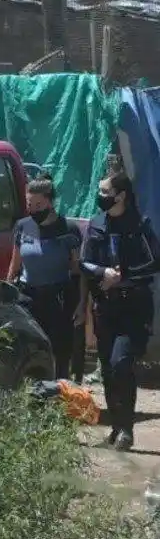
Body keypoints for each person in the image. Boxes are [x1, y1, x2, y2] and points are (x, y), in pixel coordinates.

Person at [81, 171, 160, 451]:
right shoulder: (97, 224)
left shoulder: (139, 225)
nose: (101, 196)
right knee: (107, 368)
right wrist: (104, 272)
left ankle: (127, 429)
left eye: (106, 192)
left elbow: (154, 263)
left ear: (121, 195)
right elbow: (85, 262)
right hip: (105, 306)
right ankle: (116, 427)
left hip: (133, 306)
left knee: (121, 363)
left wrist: (122, 274)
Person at [6, 174, 85, 381]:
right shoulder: (22, 226)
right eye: (29, 204)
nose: (33, 209)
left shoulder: (68, 230)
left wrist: (80, 303)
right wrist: (6, 292)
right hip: (28, 297)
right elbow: (14, 266)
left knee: (59, 352)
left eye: (38, 204)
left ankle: (60, 397)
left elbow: (77, 271)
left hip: (57, 299)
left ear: (50, 202)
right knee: (29, 349)